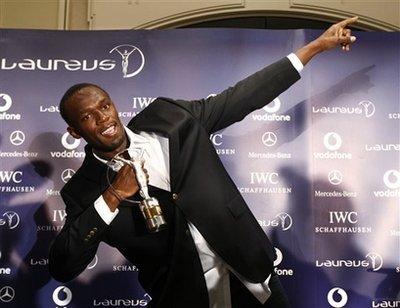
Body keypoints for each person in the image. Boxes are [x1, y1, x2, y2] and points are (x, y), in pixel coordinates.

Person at [49, 17, 358, 307]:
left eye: (105, 106)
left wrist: (314, 47)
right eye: (88, 117)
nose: (103, 118)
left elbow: (242, 97)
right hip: (185, 297)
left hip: (252, 277)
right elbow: (63, 266)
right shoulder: (82, 192)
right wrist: (112, 196)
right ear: (75, 131)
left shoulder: (169, 118)